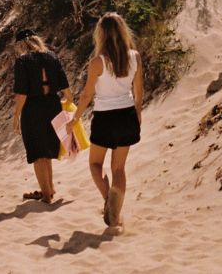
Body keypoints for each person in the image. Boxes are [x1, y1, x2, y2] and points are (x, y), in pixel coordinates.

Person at [68, 12, 143, 227]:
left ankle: (107, 199)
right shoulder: (135, 57)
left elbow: (86, 95)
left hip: (105, 117)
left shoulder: (97, 62)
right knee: (119, 169)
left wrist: (75, 118)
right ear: (122, 31)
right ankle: (116, 215)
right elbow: (139, 91)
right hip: (127, 114)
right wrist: (138, 114)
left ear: (101, 35)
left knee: (94, 164)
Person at [13, 28, 73, 204]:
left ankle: (46, 196)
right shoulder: (52, 57)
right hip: (53, 105)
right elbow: (65, 86)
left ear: (21, 44)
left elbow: (22, 93)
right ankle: (50, 188)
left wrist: (16, 116)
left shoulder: (23, 61)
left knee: (37, 152)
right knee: (47, 149)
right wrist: (69, 103)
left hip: (33, 108)